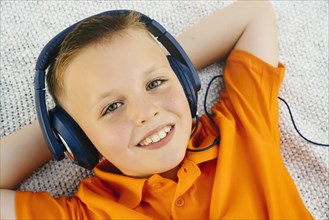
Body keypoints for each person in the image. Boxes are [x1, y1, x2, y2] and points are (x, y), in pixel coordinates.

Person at [0, 1, 313, 219]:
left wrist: (163, 60)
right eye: (111, 107)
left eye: (155, 83)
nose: (145, 112)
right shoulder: (91, 211)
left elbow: (253, 13)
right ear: (79, 138)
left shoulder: (242, 129)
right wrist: (59, 130)